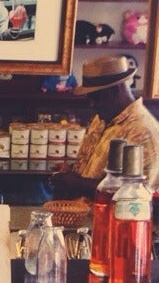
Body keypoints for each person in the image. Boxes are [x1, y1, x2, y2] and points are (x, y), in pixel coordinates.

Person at [51, 55, 159, 201]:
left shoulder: (144, 131)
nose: (91, 104)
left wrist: (77, 184)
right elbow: (92, 170)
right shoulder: (102, 117)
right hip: (83, 217)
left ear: (115, 91)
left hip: (111, 222)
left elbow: (138, 197)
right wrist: (69, 172)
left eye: (95, 97)